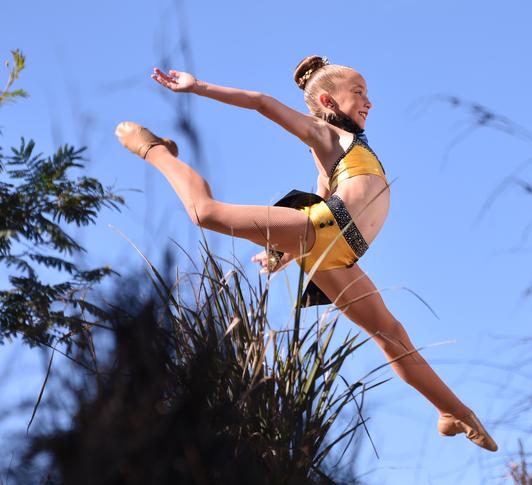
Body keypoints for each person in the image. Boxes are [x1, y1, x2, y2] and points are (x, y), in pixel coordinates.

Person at [115, 55, 498, 452]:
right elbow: (262, 103)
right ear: (330, 102)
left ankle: (453, 411)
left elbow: (318, 201)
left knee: (391, 334)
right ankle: (156, 150)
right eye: (359, 92)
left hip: (337, 250)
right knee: (204, 212)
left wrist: (284, 254)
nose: (369, 101)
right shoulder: (323, 133)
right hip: (326, 230)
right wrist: (197, 87)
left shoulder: (350, 151)